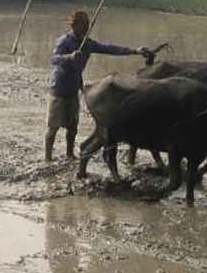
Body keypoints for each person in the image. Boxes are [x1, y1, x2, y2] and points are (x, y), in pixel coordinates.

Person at [46, 9, 147, 161]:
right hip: (58, 87)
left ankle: (70, 154)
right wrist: (69, 57)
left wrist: (134, 51)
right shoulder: (64, 41)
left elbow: (109, 48)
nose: (86, 26)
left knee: (73, 126)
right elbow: (54, 59)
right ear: (74, 26)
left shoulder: (88, 43)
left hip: (74, 88)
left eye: (87, 23)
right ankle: (48, 157)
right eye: (83, 24)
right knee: (53, 126)